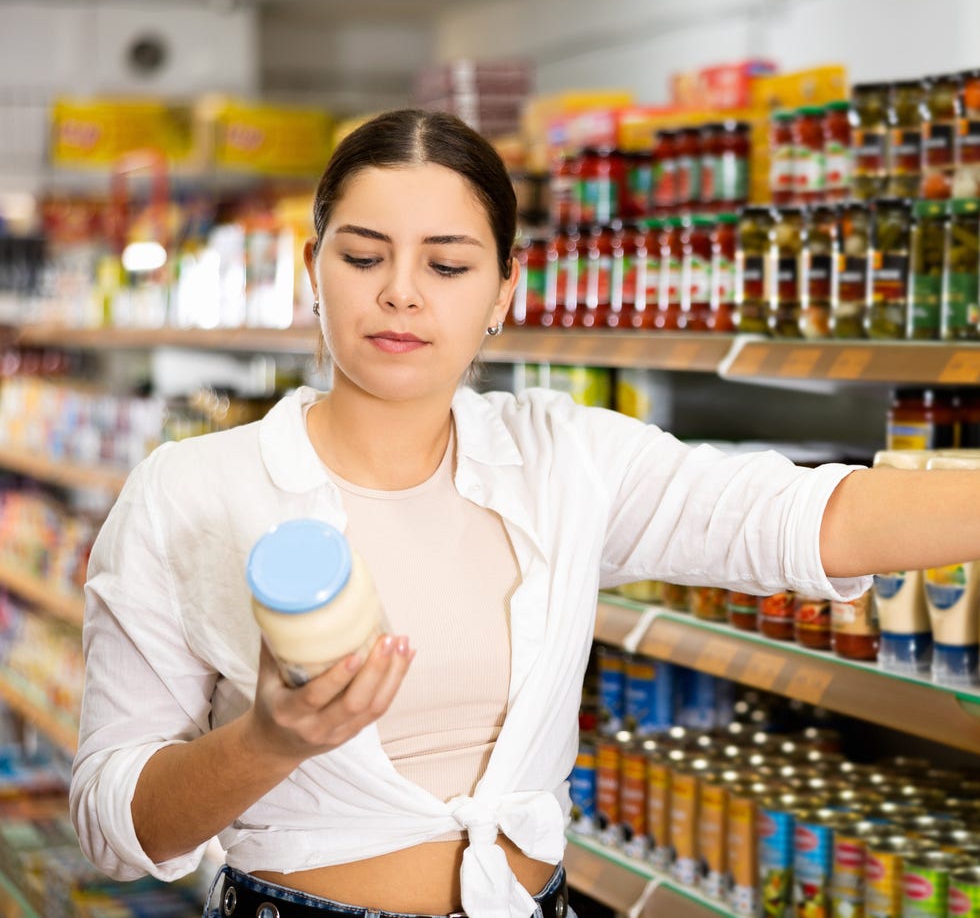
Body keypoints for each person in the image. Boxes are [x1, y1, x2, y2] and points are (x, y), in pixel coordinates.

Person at [70, 108, 980, 918]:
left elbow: (815, 517)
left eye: (448, 263)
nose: (401, 292)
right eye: (362, 255)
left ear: (505, 289)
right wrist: (268, 743)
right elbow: (113, 822)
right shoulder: (192, 491)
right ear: (315, 271)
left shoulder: (565, 457)